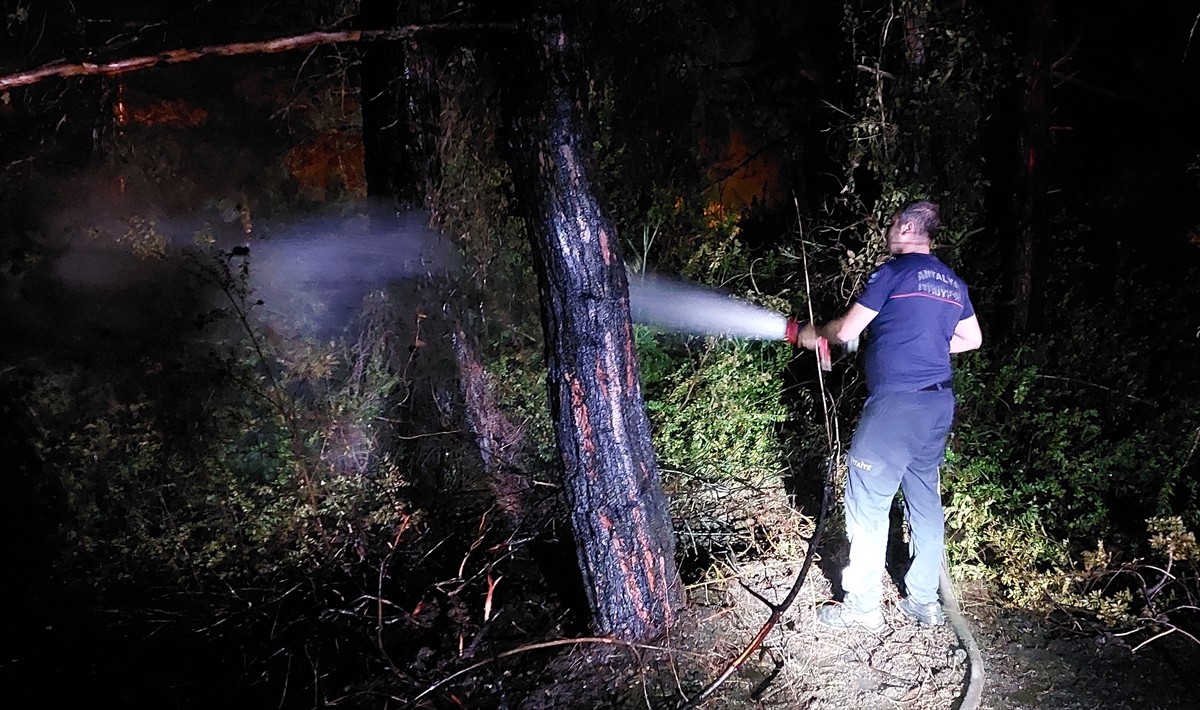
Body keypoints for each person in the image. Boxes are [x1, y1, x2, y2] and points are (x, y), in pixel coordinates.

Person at [796, 200, 982, 630]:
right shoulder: (952, 282)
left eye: (894, 224)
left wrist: (813, 334)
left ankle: (861, 608)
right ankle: (923, 603)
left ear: (909, 226)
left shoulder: (893, 273)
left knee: (867, 501)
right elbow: (971, 339)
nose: (888, 231)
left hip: (897, 405)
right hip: (937, 405)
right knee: (924, 500)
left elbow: (844, 331)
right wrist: (926, 348)